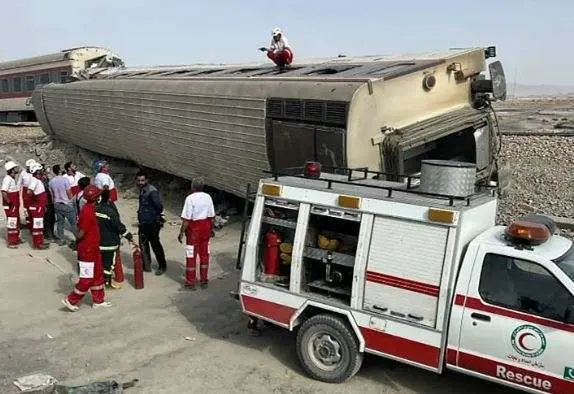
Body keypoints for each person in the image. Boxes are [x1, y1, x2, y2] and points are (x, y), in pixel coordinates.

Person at [62, 185, 112, 311]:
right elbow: (80, 233)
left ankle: (98, 300)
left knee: (97, 274)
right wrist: (76, 242)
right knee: (87, 278)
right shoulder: (88, 212)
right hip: (87, 250)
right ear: (96, 198)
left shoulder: (89, 209)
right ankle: (71, 300)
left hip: (93, 248)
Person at [178, 177, 215, 290]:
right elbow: (212, 217)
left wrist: (181, 233)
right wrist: (211, 230)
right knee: (204, 256)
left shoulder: (190, 198)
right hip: (206, 229)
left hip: (193, 231)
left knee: (191, 256)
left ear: (192, 186)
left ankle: (190, 282)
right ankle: (204, 280)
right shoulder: (208, 197)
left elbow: (186, 220)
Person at [96, 189, 133, 289]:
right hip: (110, 244)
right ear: (108, 198)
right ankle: (107, 283)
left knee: (101, 263)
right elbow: (118, 226)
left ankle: (100, 280)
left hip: (98, 242)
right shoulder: (110, 212)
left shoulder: (95, 209)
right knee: (109, 265)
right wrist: (128, 235)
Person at [136, 170, 167, 275]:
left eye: (142, 180)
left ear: (147, 180)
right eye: (139, 180)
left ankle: (162, 266)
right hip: (144, 222)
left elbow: (159, 206)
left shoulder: (151, 191)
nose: (140, 182)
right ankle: (147, 265)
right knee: (143, 244)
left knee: (155, 245)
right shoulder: (142, 190)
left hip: (152, 223)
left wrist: (155, 218)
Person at [49, 164, 77, 246]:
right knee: (73, 223)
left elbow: (52, 195)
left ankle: (61, 239)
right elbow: (69, 193)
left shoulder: (51, 182)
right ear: (60, 171)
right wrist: (72, 202)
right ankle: (78, 239)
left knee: (60, 223)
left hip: (57, 204)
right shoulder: (65, 180)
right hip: (66, 204)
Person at [27, 163, 50, 249]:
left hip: (40, 206)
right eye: (40, 171)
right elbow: (29, 192)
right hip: (37, 207)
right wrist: (36, 200)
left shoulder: (37, 180)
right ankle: (38, 244)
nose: (42, 173)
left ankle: (40, 241)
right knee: (37, 225)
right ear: (37, 172)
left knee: (39, 225)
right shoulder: (34, 180)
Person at [2, 161, 22, 248]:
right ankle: (11, 242)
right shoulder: (7, 179)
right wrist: (9, 202)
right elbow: (3, 191)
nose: (16, 169)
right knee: (12, 222)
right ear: (12, 170)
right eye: (15, 168)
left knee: (16, 221)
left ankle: (16, 238)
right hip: (11, 206)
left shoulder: (12, 179)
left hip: (14, 205)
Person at [18, 159, 37, 230]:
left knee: (34, 207)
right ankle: (28, 223)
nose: (28, 168)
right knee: (26, 208)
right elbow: (19, 184)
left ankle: (35, 222)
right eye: (28, 167)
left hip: (35, 191)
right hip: (26, 192)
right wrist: (17, 192)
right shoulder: (23, 173)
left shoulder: (36, 173)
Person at [40, 164, 56, 240]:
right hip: (46, 202)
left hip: (50, 201)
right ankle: (47, 234)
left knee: (52, 218)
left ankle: (51, 233)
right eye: (44, 170)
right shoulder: (40, 181)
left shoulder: (47, 179)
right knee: (47, 218)